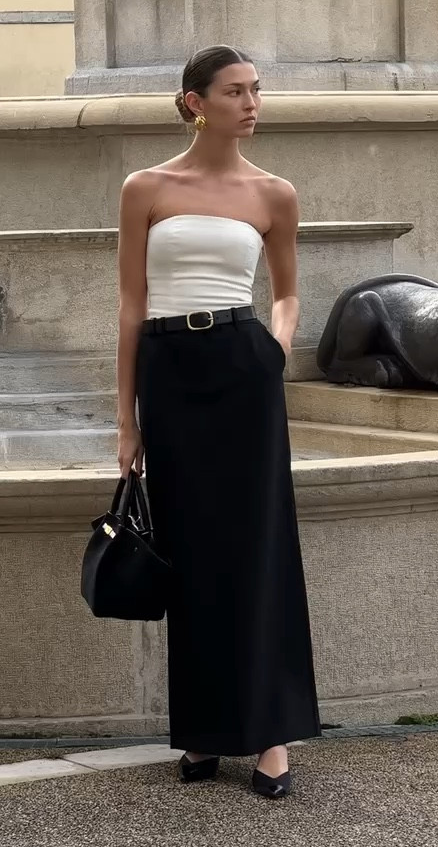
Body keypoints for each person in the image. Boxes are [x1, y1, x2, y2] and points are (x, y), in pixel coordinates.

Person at [116, 45, 321, 800]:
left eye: (257, 91)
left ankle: (270, 736)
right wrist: (126, 419)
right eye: (236, 92)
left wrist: (275, 349)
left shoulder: (275, 193)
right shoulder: (145, 187)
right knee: (192, 553)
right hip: (170, 373)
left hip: (244, 368)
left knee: (258, 548)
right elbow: (131, 306)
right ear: (196, 101)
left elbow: (290, 292)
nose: (252, 103)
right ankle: (203, 729)